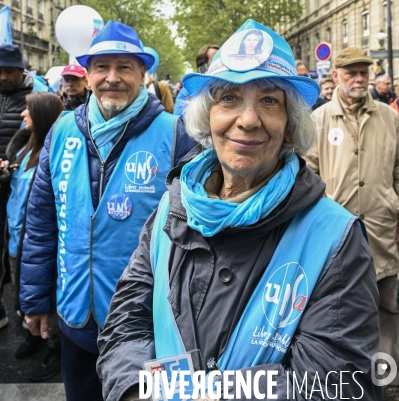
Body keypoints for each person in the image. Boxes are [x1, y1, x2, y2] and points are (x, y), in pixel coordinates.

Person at [97, 20, 381, 401]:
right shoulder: (171, 207)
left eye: (269, 101)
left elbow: (336, 383)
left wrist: (194, 394)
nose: (247, 120)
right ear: (207, 117)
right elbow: (126, 325)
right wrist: (136, 391)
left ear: (291, 127)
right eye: (229, 98)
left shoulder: (335, 237)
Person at [19, 21, 195, 401]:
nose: (112, 78)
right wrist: (36, 301)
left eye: (124, 67)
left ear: (143, 73)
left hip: (145, 326)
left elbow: (196, 237)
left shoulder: (176, 134)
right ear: (88, 74)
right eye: (102, 67)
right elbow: (41, 223)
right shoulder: (62, 130)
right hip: (76, 318)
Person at [305, 47, 399, 401]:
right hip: (337, 238)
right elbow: (307, 175)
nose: (358, 79)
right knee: (339, 311)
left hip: (383, 232)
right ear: (337, 77)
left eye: (363, 72)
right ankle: (345, 381)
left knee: (388, 308)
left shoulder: (390, 119)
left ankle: (387, 380)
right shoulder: (320, 120)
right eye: (351, 73)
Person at [2, 92, 63, 381]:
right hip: (15, 240)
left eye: (28, 110)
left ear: (41, 116)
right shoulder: (24, 148)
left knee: (47, 298)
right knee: (23, 292)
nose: (23, 115)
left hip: (34, 241)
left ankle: (54, 349)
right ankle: (33, 338)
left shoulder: (51, 155)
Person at [0, 44, 47, 329]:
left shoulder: (35, 97)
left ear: (21, 71)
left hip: (16, 184)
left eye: (9, 71)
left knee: (21, 248)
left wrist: (9, 165)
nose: (3, 77)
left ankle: (26, 309)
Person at [174, 44, 220, 117]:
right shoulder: (187, 92)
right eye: (215, 57)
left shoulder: (233, 87)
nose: (220, 61)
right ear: (203, 67)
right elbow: (179, 122)